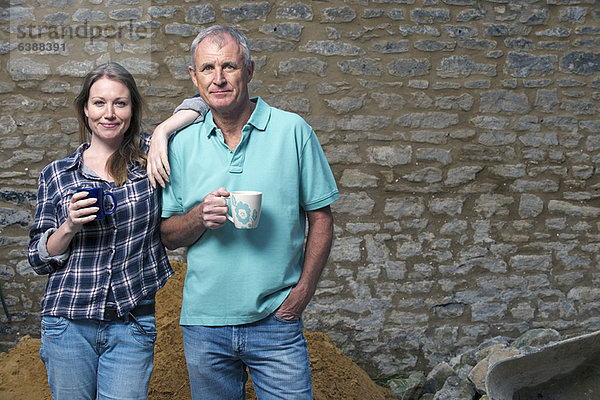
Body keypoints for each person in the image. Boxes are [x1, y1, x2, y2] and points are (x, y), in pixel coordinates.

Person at [160, 25, 339, 399]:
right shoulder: (180, 145)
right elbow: (166, 235)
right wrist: (198, 217)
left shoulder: (293, 131)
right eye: (207, 68)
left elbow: (321, 217)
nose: (219, 78)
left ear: (250, 70)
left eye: (230, 66)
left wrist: (303, 293)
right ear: (194, 77)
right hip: (204, 325)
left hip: (276, 320)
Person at [27, 62, 206, 399]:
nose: (109, 113)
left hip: (131, 321)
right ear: (85, 109)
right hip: (69, 322)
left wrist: (164, 132)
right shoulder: (58, 174)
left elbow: (201, 103)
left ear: (131, 109)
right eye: (99, 103)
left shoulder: (150, 158)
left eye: (120, 103)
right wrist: (68, 226)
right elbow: (38, 259)